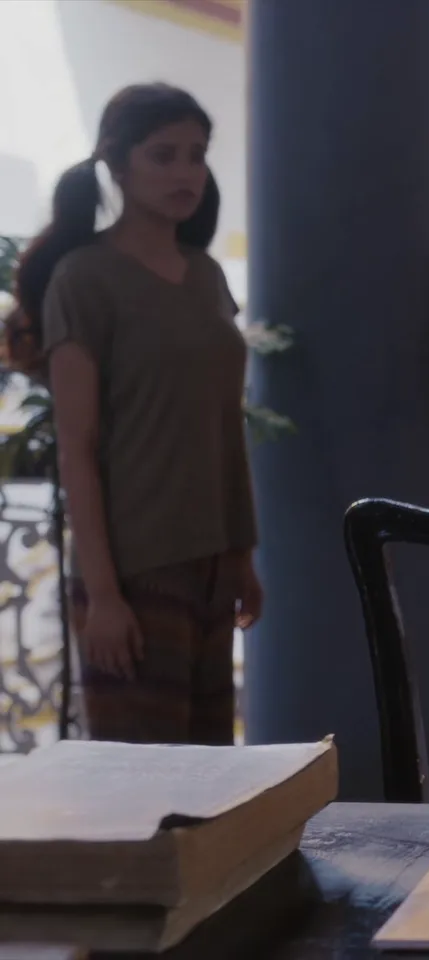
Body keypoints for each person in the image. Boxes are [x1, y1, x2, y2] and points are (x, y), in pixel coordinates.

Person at [12, 84, 261, 744]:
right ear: (117, 165)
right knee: (145, 786)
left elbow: (224, 426)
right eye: (164, 155)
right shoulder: (84, 278)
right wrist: (103, 596)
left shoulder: (206, 276)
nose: (186, 173)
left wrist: (240, 555)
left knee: (215, 778)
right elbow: (77, 446)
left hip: (212, 562)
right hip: (134, 569)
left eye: (197, 155)